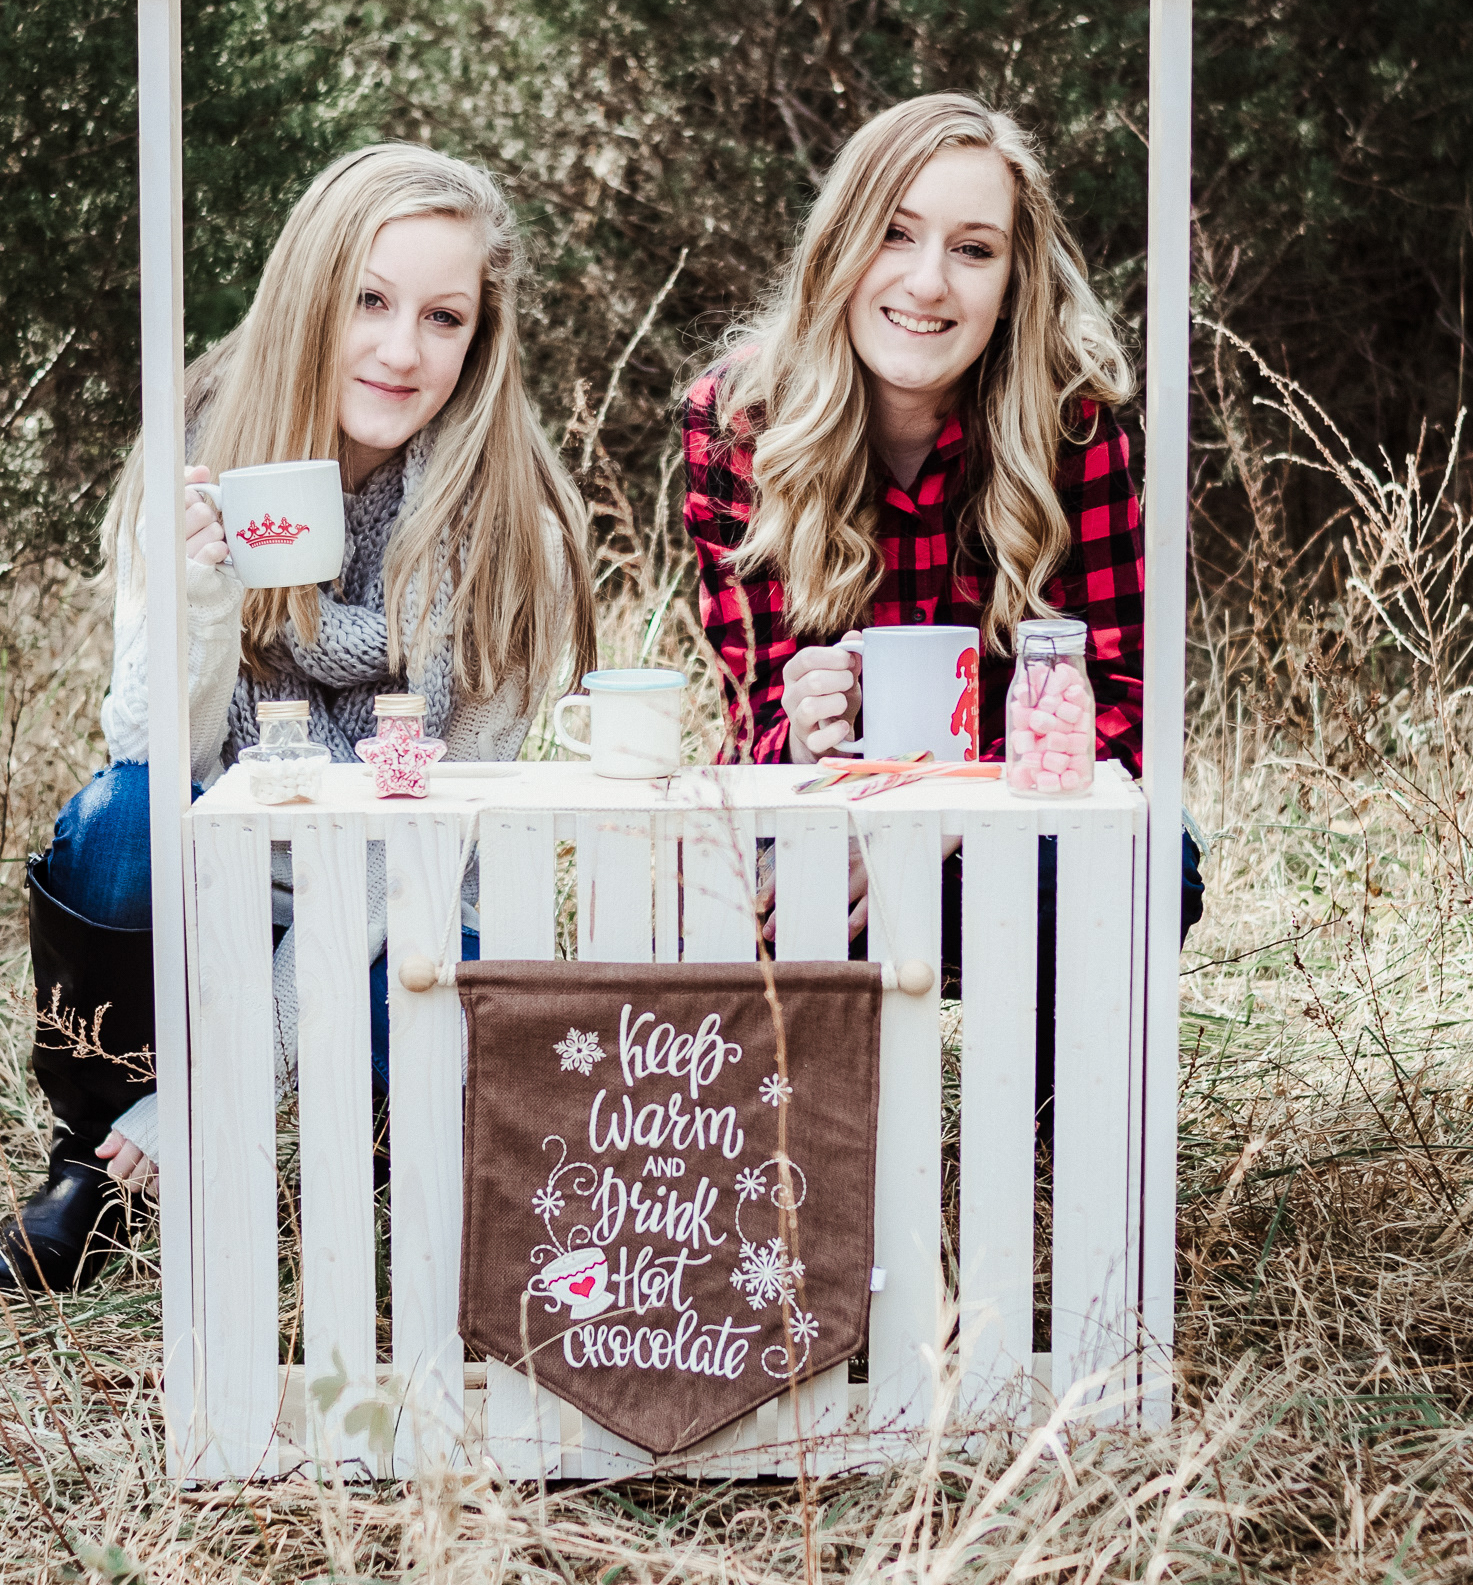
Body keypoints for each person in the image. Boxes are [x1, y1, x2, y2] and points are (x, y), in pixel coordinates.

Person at [3, 145, 596, 1291]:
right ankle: (98, 1160)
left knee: (431, 1003)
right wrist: (199, 600)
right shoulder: (198, 445)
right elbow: (152, 753)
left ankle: (365, 1157)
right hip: (215, 858)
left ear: (480, 337)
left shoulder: (514, 532)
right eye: (369, 299)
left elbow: (424, 846)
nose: (400, 349)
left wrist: (216, 1083)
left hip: (395, 892)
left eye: (442, 316)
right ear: (311, 293)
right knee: (118, 822)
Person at [682, 93, 1203, 1102]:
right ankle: (808, 1134)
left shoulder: (1072, 424)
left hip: (1011, 831)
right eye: (894, 233)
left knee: (1138, 864)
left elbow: (1125, 713)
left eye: (972, 249)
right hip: (824, 820)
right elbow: (751, 708)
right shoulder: (741, 419)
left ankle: (1055, 1114)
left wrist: (946, 815)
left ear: (1011, 282)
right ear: (838, 246)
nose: (927, 281)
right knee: (705, 876)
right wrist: (804, 734)